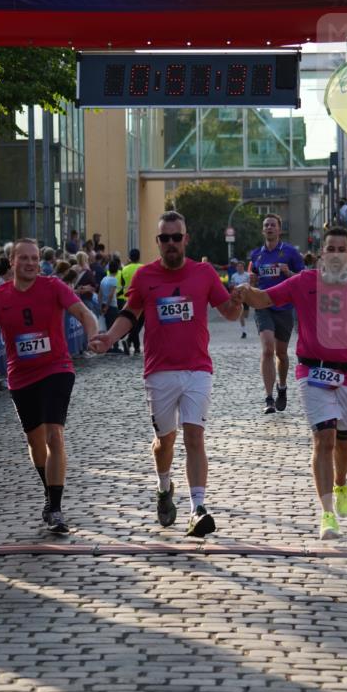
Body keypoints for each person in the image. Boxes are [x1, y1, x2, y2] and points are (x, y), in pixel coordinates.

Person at [233, 226, 347, 541]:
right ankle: (327, 514)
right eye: (330, 249)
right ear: (322, 253)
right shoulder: (304, 281)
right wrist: (244, 292)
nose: (335, 254)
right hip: (312, 372)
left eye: (341, 249)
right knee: (324, 439)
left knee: (344, 441)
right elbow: (265, 298)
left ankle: (341, 483)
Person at [89, 210, 241, 537]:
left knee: (194, 436)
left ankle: (197, 508)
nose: (171, 243)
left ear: (186, 239)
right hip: (158, 371)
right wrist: (109, 338)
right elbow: (130, 313)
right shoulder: (145, 276)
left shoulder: (204, 273)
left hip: (197, 368)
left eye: (177, 237)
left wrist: (240, 300)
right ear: (157, 242)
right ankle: (163, 486)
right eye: (165, 238)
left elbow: (229, 312)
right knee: (164, 441)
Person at [0, 239, 98, 535]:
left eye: (35, 258)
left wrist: (94, 335)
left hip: (57, 368)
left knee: (54, 434)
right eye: (24, 258)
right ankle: (49, 490)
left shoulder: (53, 286)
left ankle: (55, 507)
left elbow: (83, 313)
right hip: (21, 376)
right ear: (12, 262)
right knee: (35, 440)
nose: (31, 263)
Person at [248, 213, 305, 414]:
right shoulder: (256, 255)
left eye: (273, 225)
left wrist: (289, 273)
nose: (269, 228)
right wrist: (252, 282)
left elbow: (303, 277)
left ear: (279, 229)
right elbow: (252, 279)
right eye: (266, 225)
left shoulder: (290, 253)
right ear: (263, 230)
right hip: (263, 305)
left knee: (281, 352)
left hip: (284, 307)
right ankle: (269, 397)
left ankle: (282, 387)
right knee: (267, 349)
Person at [118, 248, 144, 354]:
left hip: (127, 300)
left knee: (133, 323)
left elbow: (121, 284)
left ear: (129, 257)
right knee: (139, 324)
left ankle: (130, 342)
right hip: (142, 300)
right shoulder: (143, 268)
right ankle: (131, 343)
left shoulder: (124, 269)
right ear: (139, 257)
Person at [229, 260, 250, 338]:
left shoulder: (247, 275)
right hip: (238, 297)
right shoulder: (234, 276)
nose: (239, 268)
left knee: (246, 315)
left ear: (243, 267)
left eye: (241, 266)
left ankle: (244, 320)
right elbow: (232, 285)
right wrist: (233, 287)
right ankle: (244, 332)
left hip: (246, 297)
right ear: (236, 268)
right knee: (241, 315)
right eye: (238, 266)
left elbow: (250, 285)